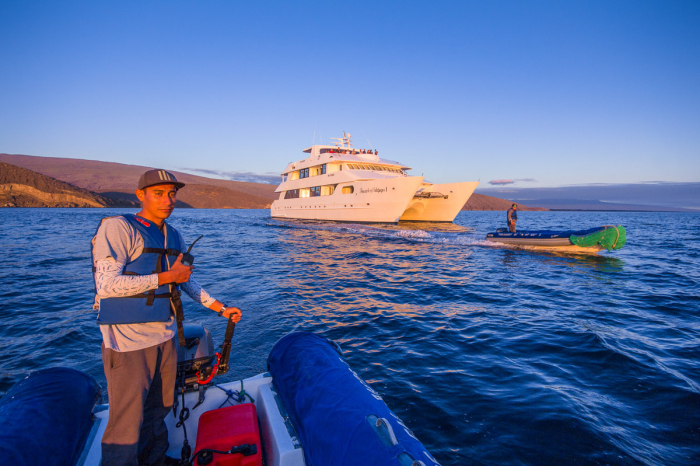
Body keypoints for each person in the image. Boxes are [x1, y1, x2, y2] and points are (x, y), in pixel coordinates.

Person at [91, 169, 242, 466]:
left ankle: (155, 461)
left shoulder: (174, 235)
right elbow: (106, 285)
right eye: (158, 193)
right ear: (140, 195)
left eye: (172, 194)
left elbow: (185, 282)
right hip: (127, 341)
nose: (168, 200)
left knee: (160, 408)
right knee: (126, 420)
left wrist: (221, 308)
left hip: (165, 336)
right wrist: (165, 276)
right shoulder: (119, 228)